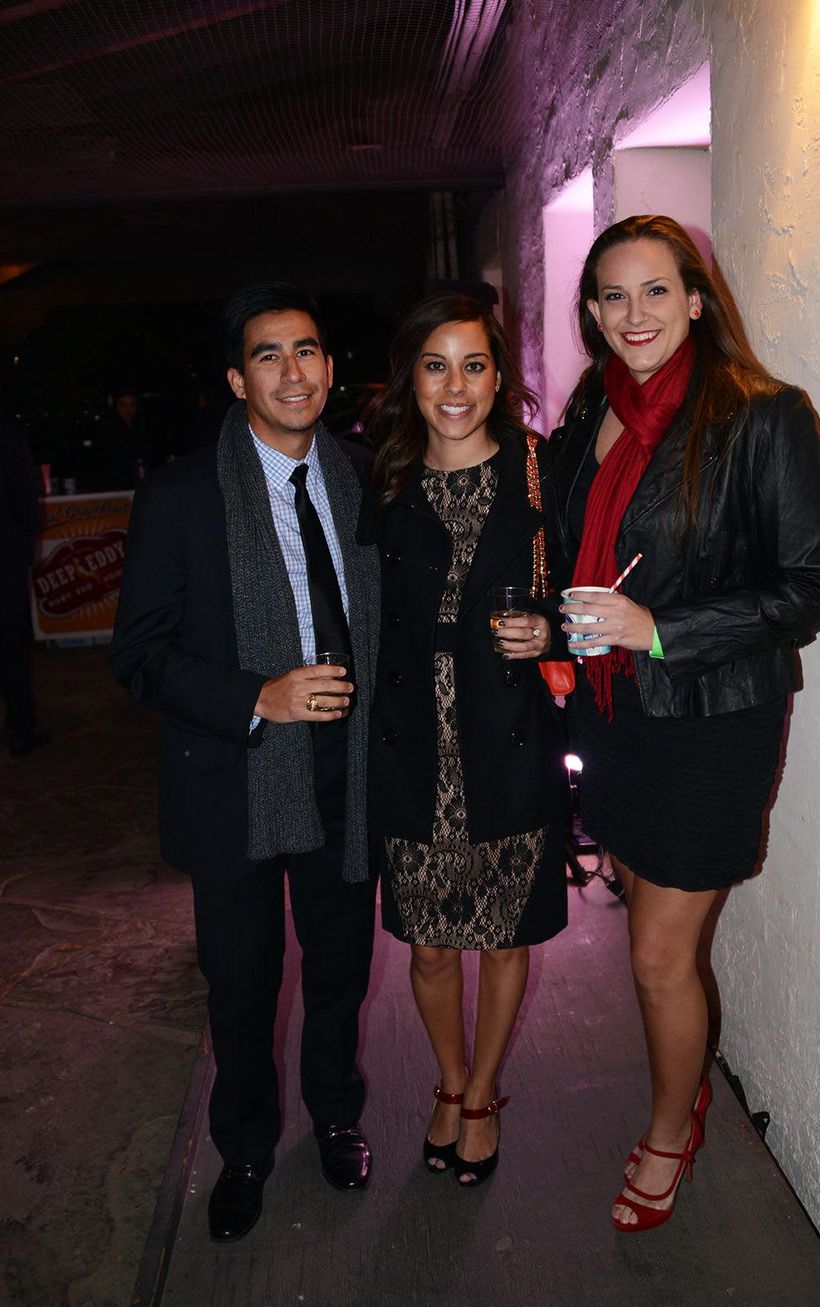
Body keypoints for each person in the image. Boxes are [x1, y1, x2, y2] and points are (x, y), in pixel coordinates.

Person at [551, 216, 820, 1233]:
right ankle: (680, 1091)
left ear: (693, 297)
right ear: (589, 312)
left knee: (653, 956)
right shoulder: (593, 406)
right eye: (609, 296)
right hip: (619, 709)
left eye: (651, 291)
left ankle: (672, 1125)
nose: (630, 315)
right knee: (639, 910)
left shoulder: (763, 415)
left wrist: (658, 628)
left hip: (712, 715)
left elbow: (810, 587)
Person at [109, 283, 380, 1242]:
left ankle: (337, 1113)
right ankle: (247, 1147)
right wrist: (254, 698)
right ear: (237, 380)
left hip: (346, 774)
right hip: (236, 777)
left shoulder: (363, 476)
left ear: (330, 366)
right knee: (242, 980)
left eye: (307, 350)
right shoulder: (182, 495)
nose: (293, 370)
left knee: (341, 968)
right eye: (269, 355)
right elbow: (136, 653)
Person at [360, 293, 568, 1186]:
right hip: (411, 746)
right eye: (436, 365)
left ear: (499, 376)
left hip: (509, 735)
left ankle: (481, 1094)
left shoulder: (540, 471)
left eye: (474, 365)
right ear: (411, 377)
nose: (456, 386)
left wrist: (553, 628)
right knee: (431, 944)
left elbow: (591, 581)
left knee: (502, 935)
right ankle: (447, 1082)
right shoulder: (382, 482)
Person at [0, 416, 48, 756]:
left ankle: (19, 724)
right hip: (5, 552)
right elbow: (24, 489)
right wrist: (30, 534)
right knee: (9, 643)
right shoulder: (8, 431)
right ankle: (19, 727)